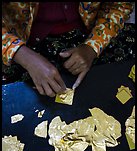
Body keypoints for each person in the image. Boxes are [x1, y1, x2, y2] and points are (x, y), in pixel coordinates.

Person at [2, 2, 133, 97]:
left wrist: (93, 46)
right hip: (17, 40)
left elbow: (120, 5)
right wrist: (22, 55)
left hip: (88, 33)